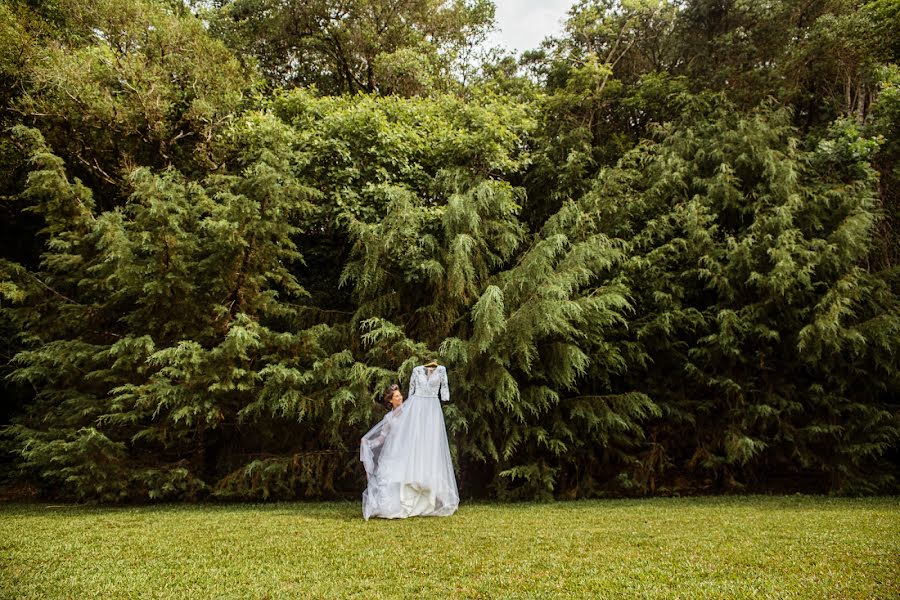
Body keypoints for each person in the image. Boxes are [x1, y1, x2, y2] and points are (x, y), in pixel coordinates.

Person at [360, 364, 459, 520]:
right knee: (389, 478)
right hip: (392, 451)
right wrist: (368, 443)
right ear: (391, 401)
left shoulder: (410, 412)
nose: (400, 398)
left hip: (404, 451)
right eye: (396, 397)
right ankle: (388, 507)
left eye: (400, 395)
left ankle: (409, 504)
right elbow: (382, 438)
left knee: (405, 478)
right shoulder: (388, 418)